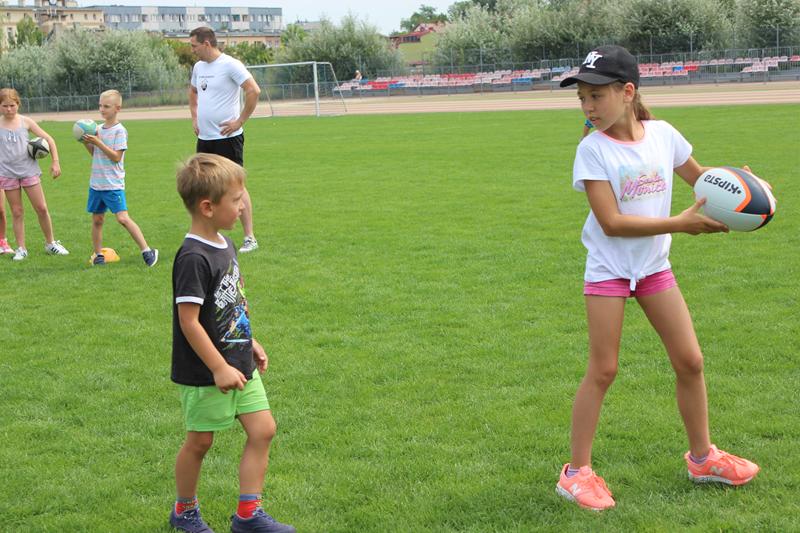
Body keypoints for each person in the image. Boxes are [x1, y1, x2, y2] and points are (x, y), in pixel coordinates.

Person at [555, 45, 760, 511]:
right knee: (603, 369)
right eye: (582, 98)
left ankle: (703, 459)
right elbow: (611, 223)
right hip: (609, 270)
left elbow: (701, 180)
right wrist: (678, 224)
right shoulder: (592, 149)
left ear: (627, 92)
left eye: (596, 96)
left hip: (653, 267)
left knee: (690, 361)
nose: (588, 107)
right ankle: (576, 474)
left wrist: (741, 186)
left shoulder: (664, 135)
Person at [170, 153, 294, 533]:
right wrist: (218, 367)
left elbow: (231, 301)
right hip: (206, 370)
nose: (243, 207)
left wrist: (249, 339)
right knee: (200, 442)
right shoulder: (192, 257)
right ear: (208, 207)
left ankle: (248, 515)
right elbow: (189, 321)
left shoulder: (225, 244)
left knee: (263, 429)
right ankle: (184, 511)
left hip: (239, 361)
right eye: (237, 200)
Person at [188, 27, 261, 254]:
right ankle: (209, 235)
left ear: (206, 43)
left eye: (194, 46)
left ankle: (249, 237)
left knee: (236, 186)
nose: (192, 50)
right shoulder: (198, 67)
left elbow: (253, 90)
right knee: (205, 187)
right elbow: (193, 92)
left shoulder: (231, 65)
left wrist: (240, 121)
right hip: (205, 139)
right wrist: (194, 117)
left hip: (227, 139)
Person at [80, 89, 158, 267]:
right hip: (96, 184)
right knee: (97, 220)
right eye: (100, 105)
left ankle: (147, 250)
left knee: (123, 218)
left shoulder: (119, 131)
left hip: (113, 185)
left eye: (106, 106)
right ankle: (98, 255)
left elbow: (116, 157)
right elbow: (95, 154)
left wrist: (98, 142)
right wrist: (86, 143)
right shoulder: (97, 129)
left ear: (117, 108)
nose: (102, 109)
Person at [0, 87, 69, 261]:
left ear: (18, 104)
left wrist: (55, 162)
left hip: (29, 172)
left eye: (12, 105)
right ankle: (21, 249)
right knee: (17, 211)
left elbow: (49, 139)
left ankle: (51, 243)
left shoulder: (26, 122)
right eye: (5, 106)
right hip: (7, 174)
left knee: (42, 208)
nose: (9, 109)